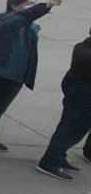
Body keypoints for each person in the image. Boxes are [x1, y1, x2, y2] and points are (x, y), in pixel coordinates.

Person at [0, 0, 62, 152]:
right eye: (28, 3)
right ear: (14, 6)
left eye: (33, 3)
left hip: (18, 73)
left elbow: (28, 27)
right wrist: (46, 6)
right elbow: (20, 20)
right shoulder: (4, 19)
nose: (31, 7)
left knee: (0, 107)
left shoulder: (30, 25)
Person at [37, 28, 91, 180]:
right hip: (82, 97)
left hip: (77, 93)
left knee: (71, 129)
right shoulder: (86, 53)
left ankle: (59, 156)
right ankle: (49, 162)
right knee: (70, 130)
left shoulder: (83, 46)